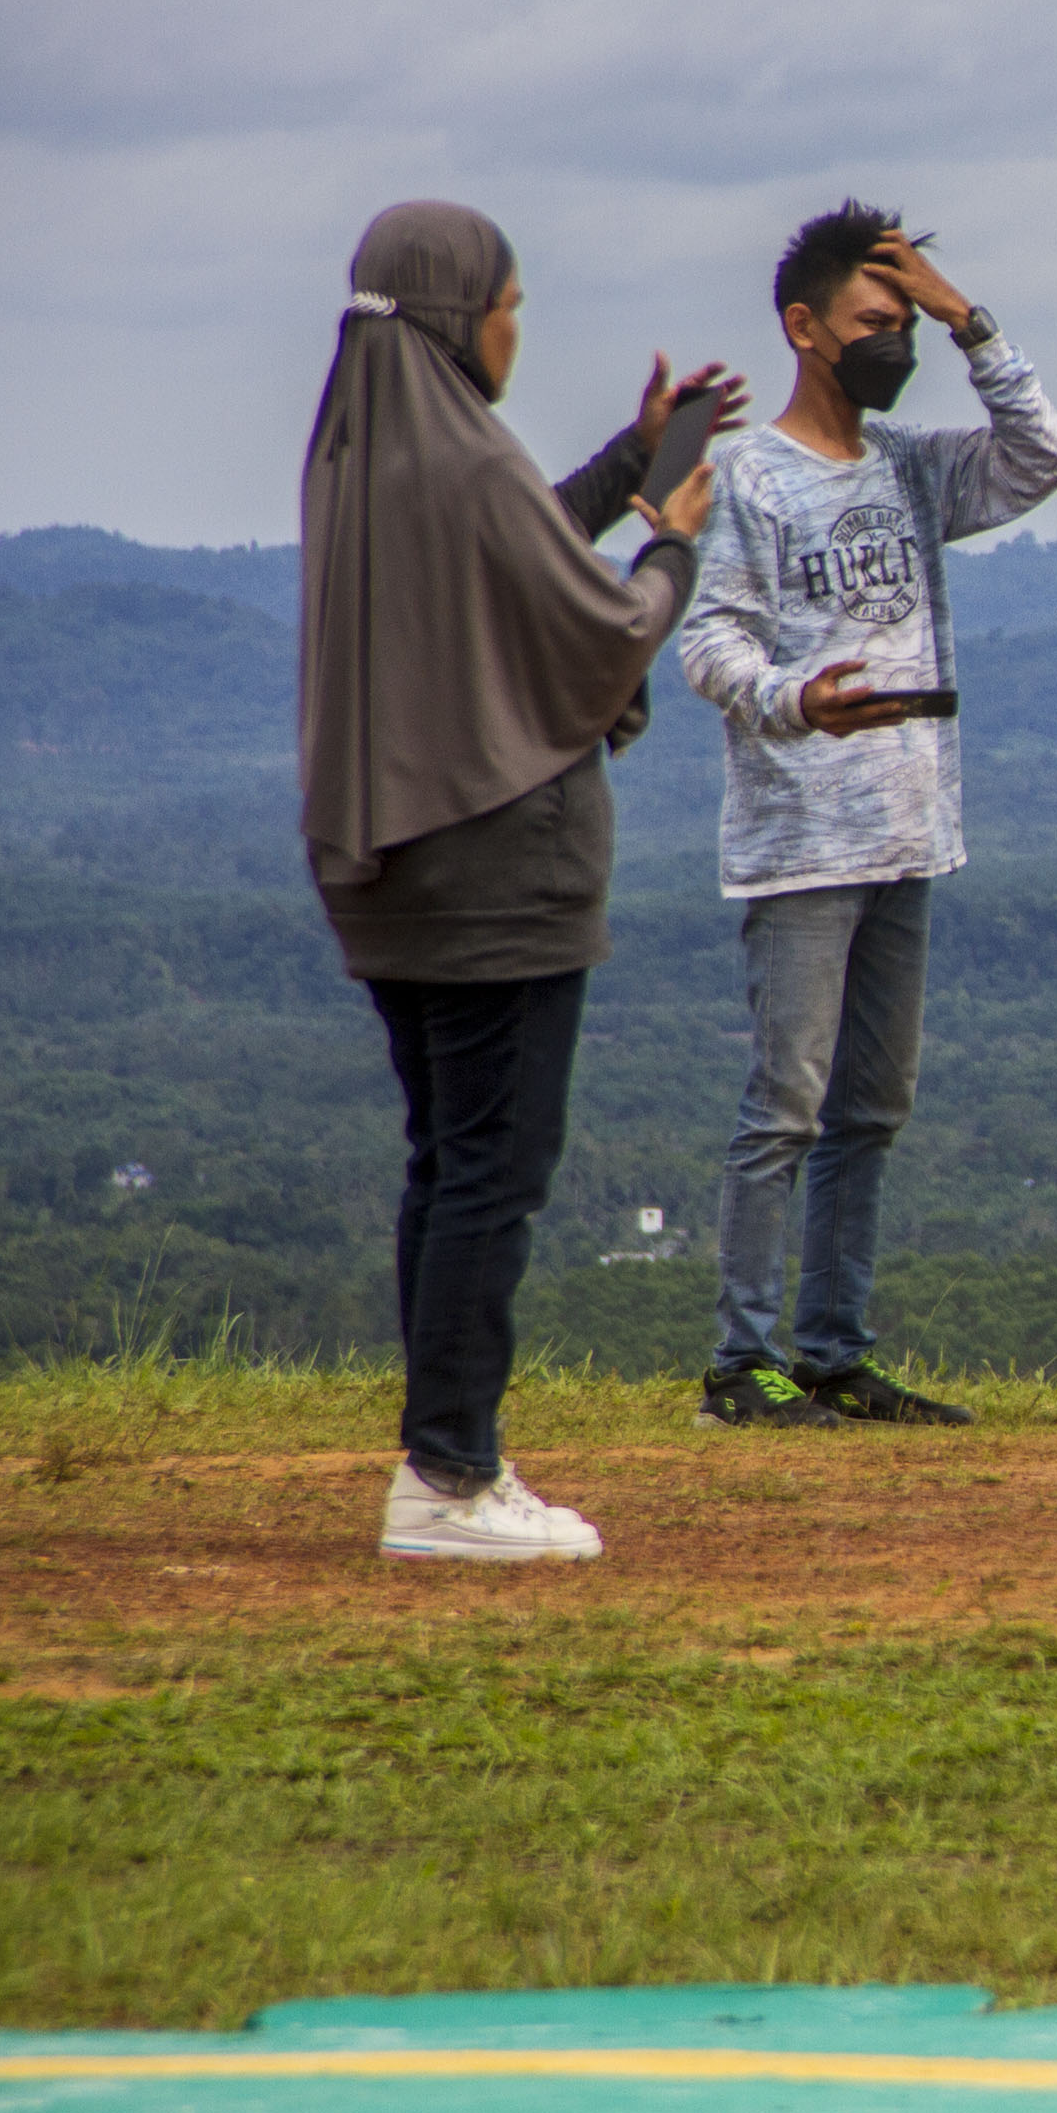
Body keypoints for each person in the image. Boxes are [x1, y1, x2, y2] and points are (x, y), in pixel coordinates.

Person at [299, 199, 737, 1562]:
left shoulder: (364, 459)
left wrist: (622, 463)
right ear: (455, 314)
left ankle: (444, 1454)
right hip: (503, 869)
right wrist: (671, 537)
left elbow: (521, 548)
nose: (514, 326)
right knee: (497, 1168)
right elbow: (596, 621)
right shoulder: (470, 466)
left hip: (393, 870)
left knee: (449, 1161)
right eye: (510, 303)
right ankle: (450, 1476)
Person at [674, 202, 1057, 1429]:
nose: (891, 342)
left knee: (870, 1109)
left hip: (908, 832)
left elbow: (1039, 457)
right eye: (873, 322)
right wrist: (798, 701)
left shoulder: (909, 466)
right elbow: (709, 638)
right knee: (784, 1106)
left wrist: (971, 323)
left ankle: (833, 1350)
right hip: (802, 841)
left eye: (901, 322)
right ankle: (743, 1366)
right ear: (804, 328)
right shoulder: (747, 475)